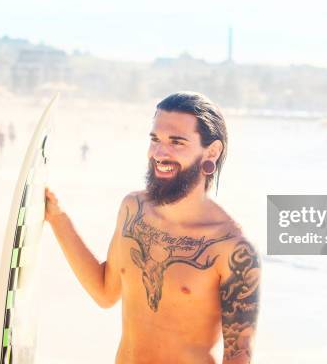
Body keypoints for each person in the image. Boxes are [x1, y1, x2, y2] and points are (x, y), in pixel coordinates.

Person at [45, 92, 260, 364]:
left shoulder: (231, 246)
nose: (159, 153)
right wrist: (58, 219)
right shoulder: (133, 210)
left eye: (177, 142)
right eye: (155, 139)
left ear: (212, 151)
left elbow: (238, 355)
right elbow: (104, 292)